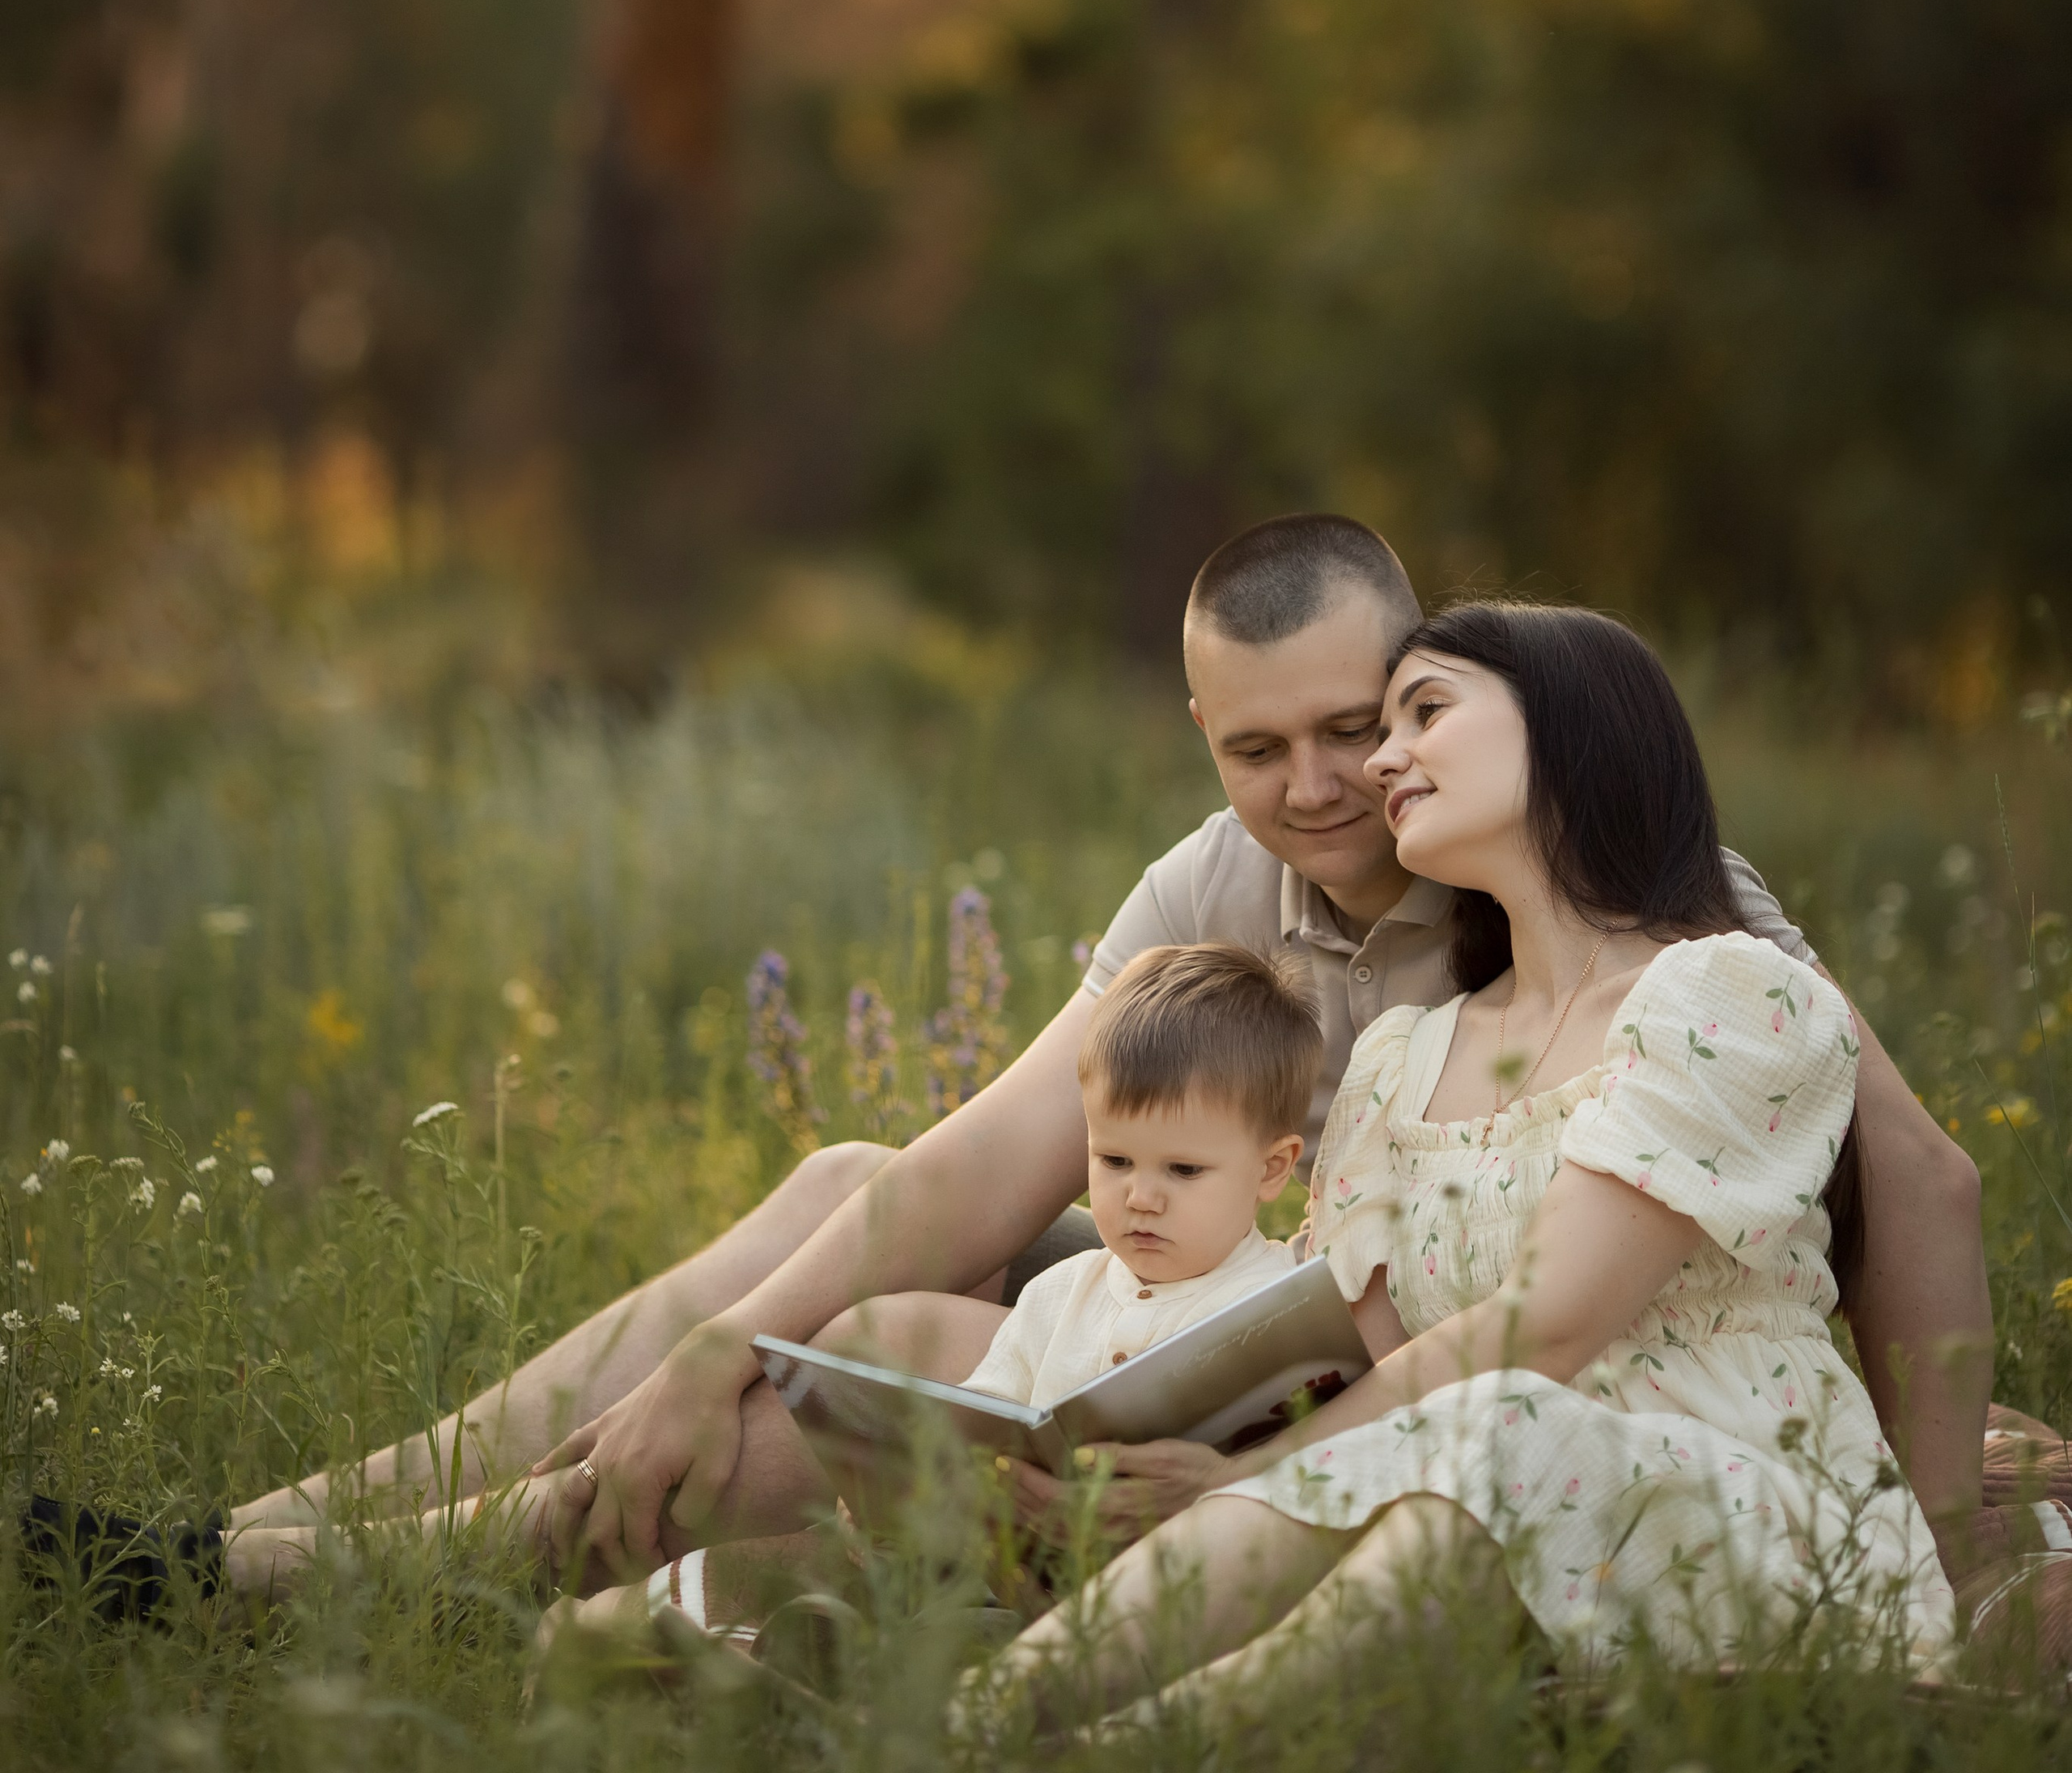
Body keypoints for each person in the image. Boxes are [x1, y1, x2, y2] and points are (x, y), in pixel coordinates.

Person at [223, 516, 1989, 1608]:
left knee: (904, 1355)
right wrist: (711, 1348)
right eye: (1251, 747)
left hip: (1429, 1380)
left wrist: (1911, 1533)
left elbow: (1905, 1173)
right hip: (1243, 1299)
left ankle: (386, 1583)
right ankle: (293, 1532)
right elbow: (990, 1167)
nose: (1312, 788)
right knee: (853, 1207)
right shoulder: (1214, 877)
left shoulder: (1635, 893)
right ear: (1203, 738)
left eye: (1358, 728)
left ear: (1435, 691)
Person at [965, 603, 1955, 1743]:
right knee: (1427, 1458)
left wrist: (1258, 1471)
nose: (1382, 758)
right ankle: (974, 1724)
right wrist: (1161, 1453)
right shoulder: (1400, 1062)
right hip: (1467, 1495)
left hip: (1738, 1523)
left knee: (1497, 1427)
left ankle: (1133, 1752)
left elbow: (1548, 1327)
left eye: (1424, 712)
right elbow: (1359, 1366)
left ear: (1572, 732)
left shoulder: (1727, 996)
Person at [533, 940, 1321, 1662]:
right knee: (861, 1578)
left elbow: (1309, 1458)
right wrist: (905, 1480)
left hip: (1171, 1596)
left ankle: (764, 1662)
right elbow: (978, 1414)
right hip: (1000, 1567)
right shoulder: (1060, 1295)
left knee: (952, 1642)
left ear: (1270, 1169)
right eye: (1113, 1160)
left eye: (1182, 1173)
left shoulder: (1274, 1310)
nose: (1140, 1198)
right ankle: (647, 1636)